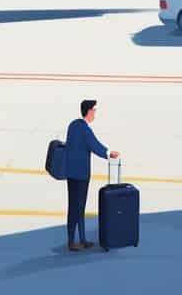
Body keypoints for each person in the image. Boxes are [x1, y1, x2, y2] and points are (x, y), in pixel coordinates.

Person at [64, 99, 120, 251]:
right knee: (79, 206)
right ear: (88, 111)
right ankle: (76, 240)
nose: (95, 113)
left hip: (71, 173)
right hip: (82, 174)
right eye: (94, 110)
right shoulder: (85, 129)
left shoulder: (73, 125)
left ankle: (76, 239)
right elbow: (95, 146)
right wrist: (109, 153)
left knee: (73, 206)